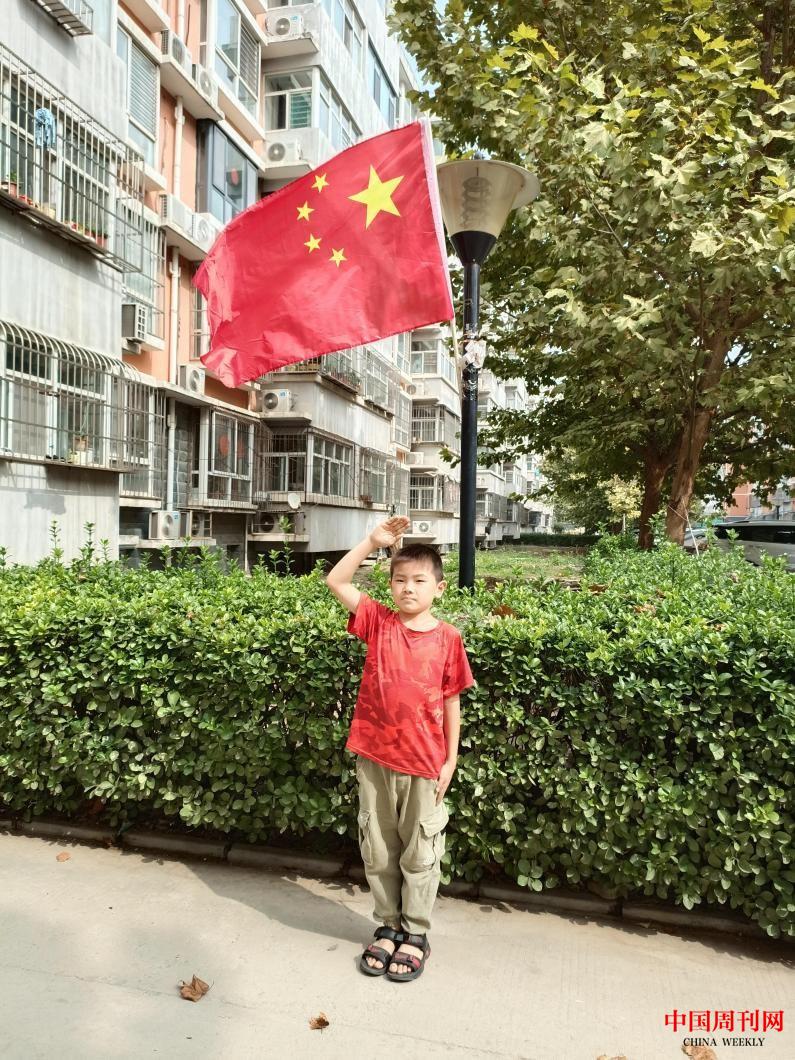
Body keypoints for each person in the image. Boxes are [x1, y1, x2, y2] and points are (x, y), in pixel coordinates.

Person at [326, 516, 475, 982]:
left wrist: (450, 760)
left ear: (439, 588)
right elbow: (336, 581)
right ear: (390, 585)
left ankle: (415, 933)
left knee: (420, 853)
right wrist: (372, 542)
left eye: (419, 580)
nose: (408, 588)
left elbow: (452, 701)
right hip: (374, 758)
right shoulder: (378, 623)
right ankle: (388, 926)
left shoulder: (448, 638)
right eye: (399, 580)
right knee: (379, 850)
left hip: (425, 764)